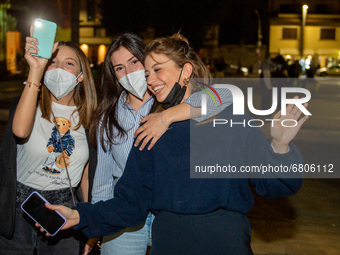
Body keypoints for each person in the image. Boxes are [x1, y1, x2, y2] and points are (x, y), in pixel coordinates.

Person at [42, 33, 308, 255]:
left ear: (186, 71)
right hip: (170, 241)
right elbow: (130, 204)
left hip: (226, 240)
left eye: (158, 70)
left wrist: (280, 146)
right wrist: (81, 216)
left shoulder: (230, 116)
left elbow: (274, 185)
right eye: (147, 74)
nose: (150, 80)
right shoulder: (149, 129)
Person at [85, 33, 231, 255]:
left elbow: (224, 96)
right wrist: (96, 226)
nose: (128, 72)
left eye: (134, 62)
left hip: (168, 211)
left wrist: (167, 116)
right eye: (119, 68)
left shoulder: (169, 100)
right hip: (126, 212)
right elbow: (103, 181)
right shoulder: (109, 117)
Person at [0, 25, 97, 254]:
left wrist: (89, 219)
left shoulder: (90, 119)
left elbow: (86, 176)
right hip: (20, 207)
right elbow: (20, 132)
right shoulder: (28, 104)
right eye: (53, 61)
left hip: (65, 211)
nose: (58, 68)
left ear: (81, 76)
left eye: (69, 63)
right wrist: (35, 68)